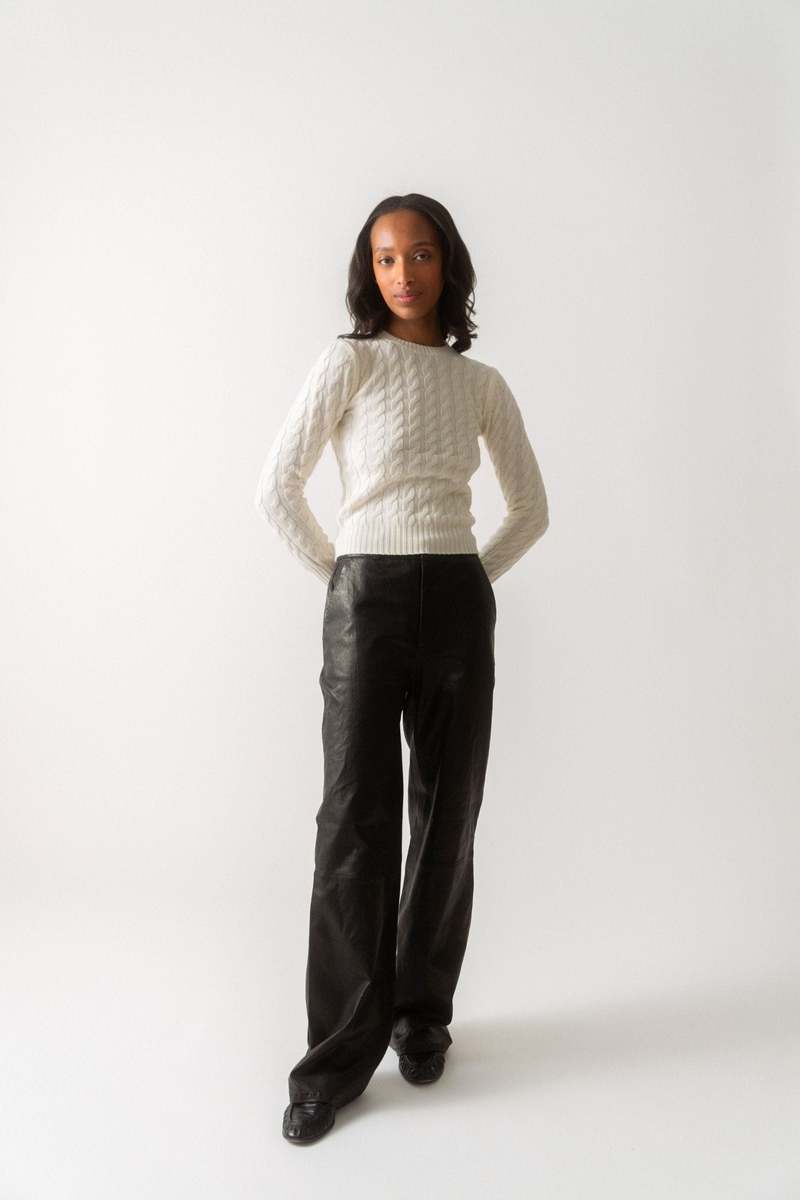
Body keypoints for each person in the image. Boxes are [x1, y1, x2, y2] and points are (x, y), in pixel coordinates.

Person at [254, 193, 550, 1144]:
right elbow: (277, 488)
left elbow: (531, 508)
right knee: (355, 820)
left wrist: (467, 577)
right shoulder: (350, 361)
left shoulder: (481, 384)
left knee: (447, 817)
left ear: (446, 263)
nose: (403, 273)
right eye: (385, 258)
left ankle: (422, 1017)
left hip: (458, 602)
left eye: (419, 254)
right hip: (365, 602)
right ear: (368, 271)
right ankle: (335, 1060)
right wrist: (346, 575)